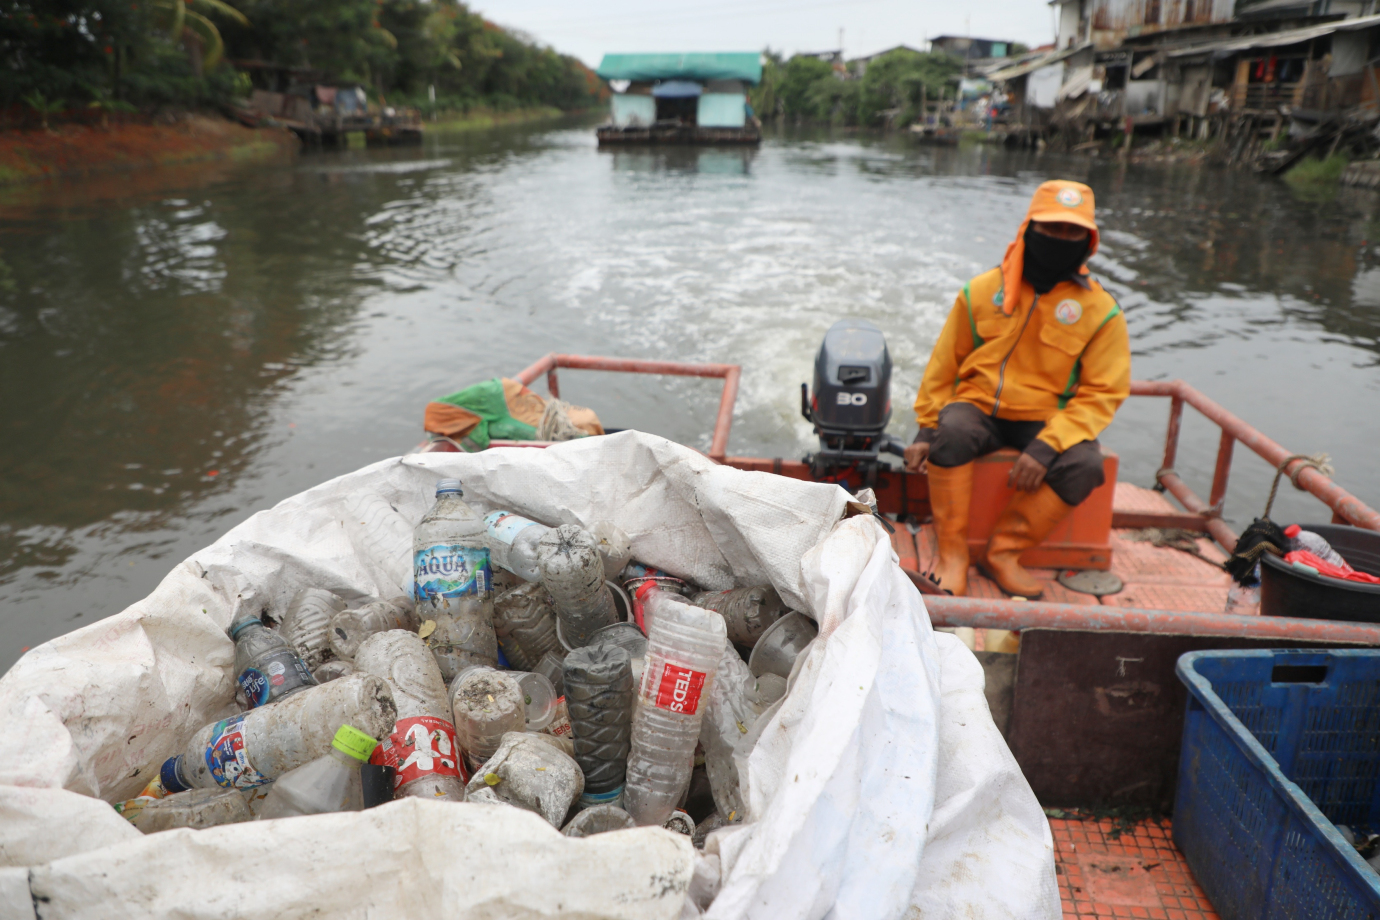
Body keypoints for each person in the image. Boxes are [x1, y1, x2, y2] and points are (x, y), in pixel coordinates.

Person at [903, 180, 1130, 598]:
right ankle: (952, 555)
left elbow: (1103, 393)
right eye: (1050, 229)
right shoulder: (981, 291)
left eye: (1071, 232)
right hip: (977, 406)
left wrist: (1047, 446)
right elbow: (944, 366)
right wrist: (925, 429)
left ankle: (1003, 554)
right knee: (949, 430)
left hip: (1044, 417)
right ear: (1028, 228)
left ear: (1089, 241)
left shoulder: (1102, 312)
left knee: (1085, 465)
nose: (1060, 240)